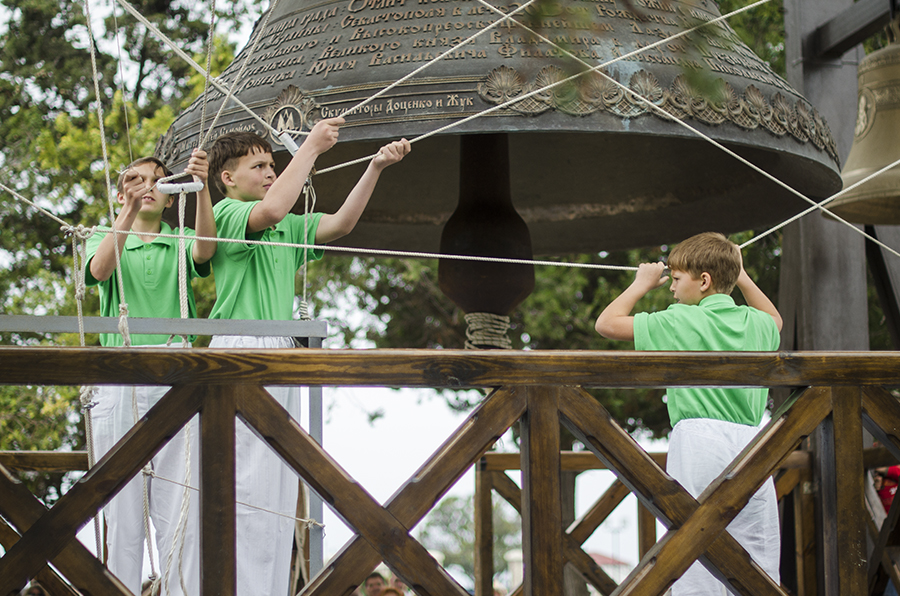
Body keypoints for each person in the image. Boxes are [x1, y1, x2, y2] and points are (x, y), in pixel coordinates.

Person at [207, 118, 410, 596]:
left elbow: (339, 224)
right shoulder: (228, 215)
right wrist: (312, 149)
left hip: (278, 354)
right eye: (258, 165)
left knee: (277, 483)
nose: (269, 173)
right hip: (240, 350)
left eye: (272, 164)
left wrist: (376, 168)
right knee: (242, 485)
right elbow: (273, 211)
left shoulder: (284, 225)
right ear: (228, 178)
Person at [594, 232, 783, 596]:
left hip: (699, 441)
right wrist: (740, 274)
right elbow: (773, 318)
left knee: (695, 548)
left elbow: (607, 323)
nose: (671, 288)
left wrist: (641, 284)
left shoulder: (678, 320)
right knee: (755, 552)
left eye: (677, 279)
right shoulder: (755, 323)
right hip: (752, 441)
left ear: (704, 281)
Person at [85, 150, 216, 595]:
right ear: (121, 192)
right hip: (119, 373)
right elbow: (100, 269)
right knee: (119, 507)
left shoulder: (179, 240)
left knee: (178, 502)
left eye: (157, 181)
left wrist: (201, 189)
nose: (146, 186)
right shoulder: (103, 235)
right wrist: (125, 209)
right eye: (135, 180)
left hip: (172, 372)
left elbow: (206, 250)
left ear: (169, 196)